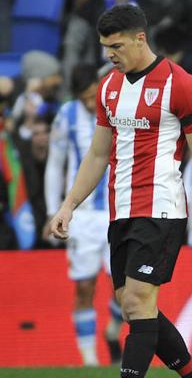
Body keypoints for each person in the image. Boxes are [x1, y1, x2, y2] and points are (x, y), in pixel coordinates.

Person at [48, 4, 192, 378]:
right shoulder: (108, 85)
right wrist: (68, 204)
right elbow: (97, 153)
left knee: (139, 302)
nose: (111, 54)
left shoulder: (180, 83)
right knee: (132, 306)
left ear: (141, 38)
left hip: (161, 209)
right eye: (106, 47)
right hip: (120, 209)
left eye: (117, 46)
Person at [44, 63, 123, 366]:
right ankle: (90, 363)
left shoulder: (120, 107)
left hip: (118, 212)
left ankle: (114, 329)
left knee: (125, 287)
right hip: (84, 217)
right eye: (84, 99)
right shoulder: (67, 116)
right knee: (84, 286)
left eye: (93, 96)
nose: (91, 104)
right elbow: (55, 163)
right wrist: (54, 211)